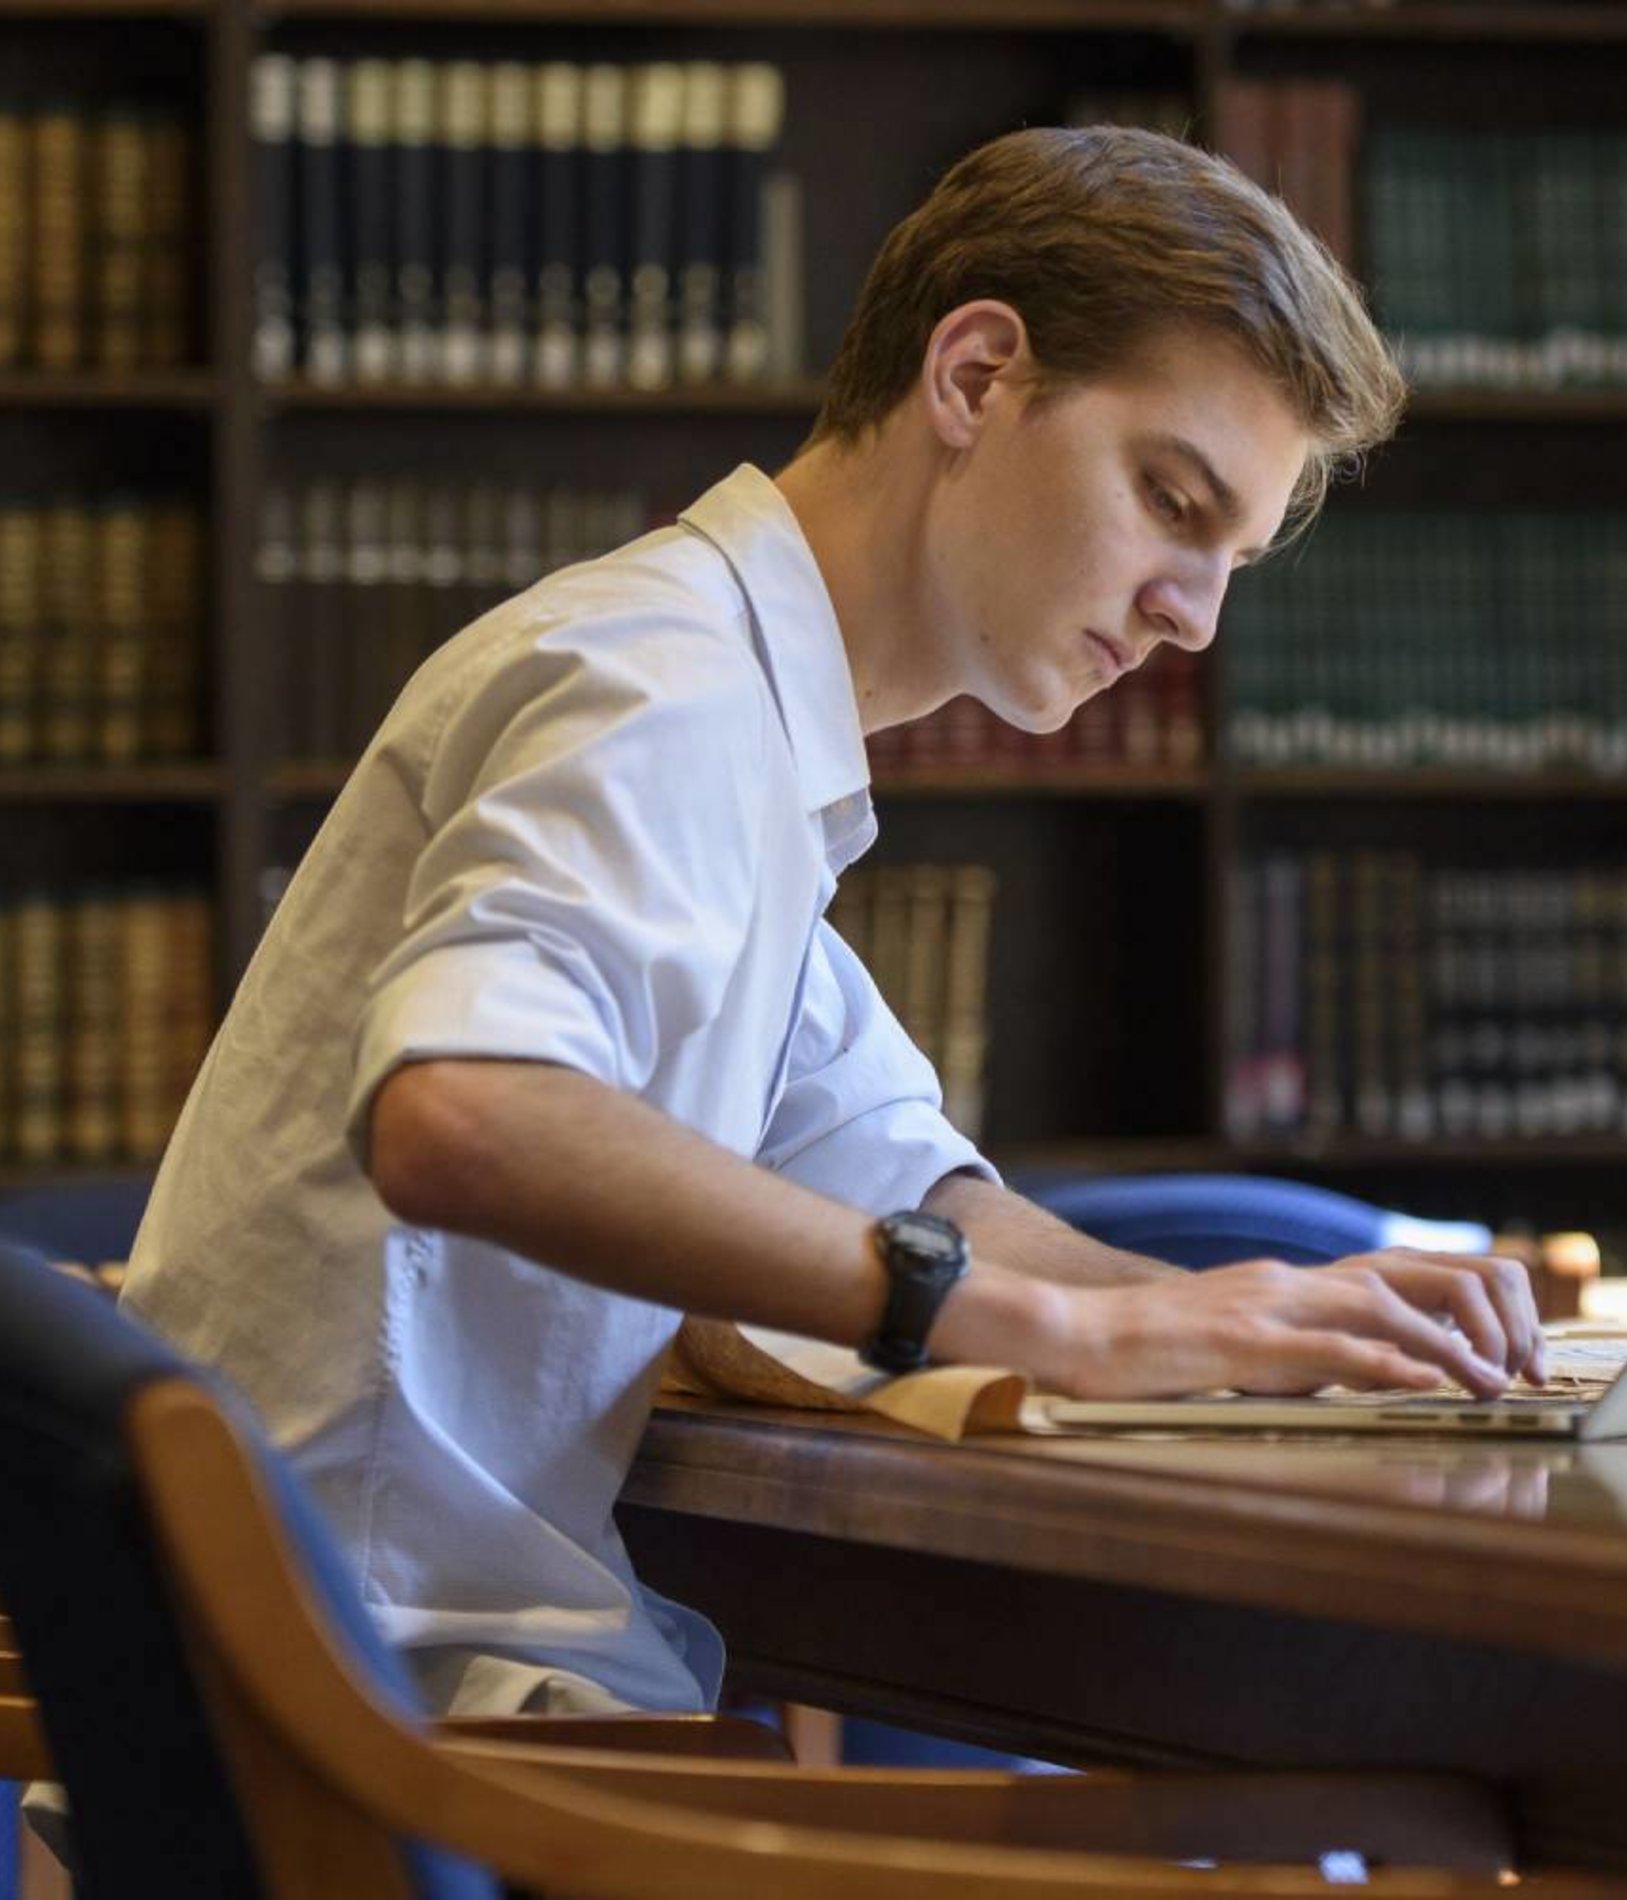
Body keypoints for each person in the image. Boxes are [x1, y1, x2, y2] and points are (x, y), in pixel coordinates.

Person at [116, 125, 1547, 1722]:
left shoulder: (744, 721)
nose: (1192, 616)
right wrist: (1019, 1319)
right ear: (976, 376)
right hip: (378, 1732)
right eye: (1169, 500)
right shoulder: (660, 692)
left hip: (388, 1698)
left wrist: (1229, 1314)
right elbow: (462, 1110)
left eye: (1232, 559)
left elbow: (907, 1181)